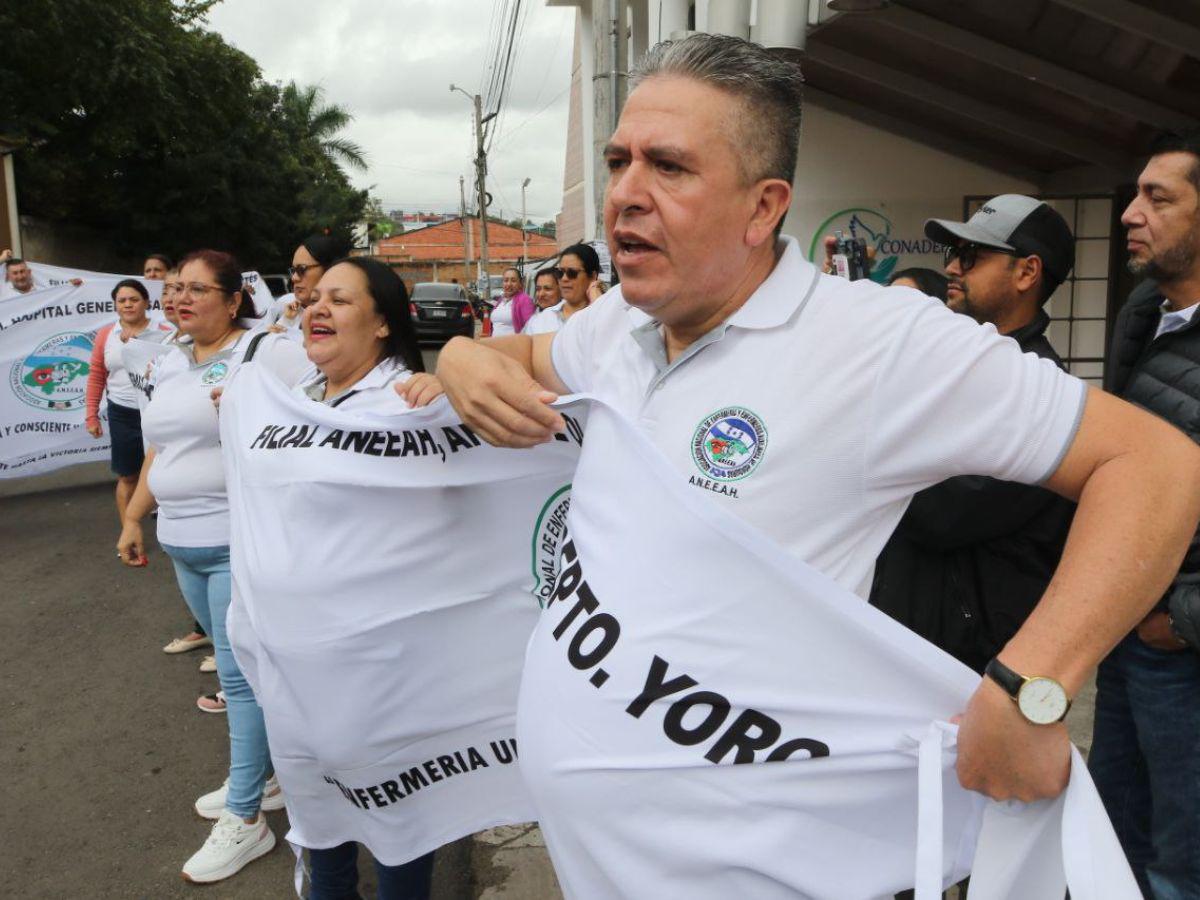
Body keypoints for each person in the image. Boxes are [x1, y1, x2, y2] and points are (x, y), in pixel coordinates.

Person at [420, 32, 1200, 891]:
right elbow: (527, 362)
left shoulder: (879, 344)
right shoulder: (617, 325)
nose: (624, 197)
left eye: (670, 168)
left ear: (764, 207)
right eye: (618, 161)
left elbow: (1157, 465)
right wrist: (463, 360)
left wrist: (1033, 683)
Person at [117, 249, 308, 883]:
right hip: (180, 541)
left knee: (239, 677)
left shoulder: (266, 351)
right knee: (243, 671)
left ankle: (246, 814)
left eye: (199, 289)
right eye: (176, 288)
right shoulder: (171, 359)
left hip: (237, 541)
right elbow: (159, 450)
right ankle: (270, 774)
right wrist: (134, 518)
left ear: (234, 300)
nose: (181, 298)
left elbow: (326, 411)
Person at [281, 257, 442, 899]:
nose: (316, 308)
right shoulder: (292, 399)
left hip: (383, 662)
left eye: (339, 301)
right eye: (313, 297)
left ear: (381, 324)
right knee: (322, 812)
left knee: (395, 815)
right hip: (303, 657)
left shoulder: (409, 404)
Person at [869, 196, 1079, 673]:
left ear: (1027, 273)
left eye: (970, 256)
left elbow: (940, 511)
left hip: (970, 657)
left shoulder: (1042, 389)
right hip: (907, 632)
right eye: (952, 254)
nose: (951, 268)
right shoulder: (953, 364)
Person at [1089, 129, 1200, 899]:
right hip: (1130, 629)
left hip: (1182, 645)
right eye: (1135, 194)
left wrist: (1183, 619)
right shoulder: (1144, 312)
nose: (1132, 214)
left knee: (1180, 864)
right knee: (1110, 842)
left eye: (1158, 199)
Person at [85, 279, 172, 524]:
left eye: (134, 299)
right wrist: (91, 414)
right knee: (128, 476)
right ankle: (129, 530)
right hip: (122, 412)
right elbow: (96, 375)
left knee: (163, 471)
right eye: (122, 300)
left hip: (157, 410)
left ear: (146, 302)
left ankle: (166, 529)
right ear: (115, 305)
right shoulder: (106, 335)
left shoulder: (164, 332)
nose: (128, 305)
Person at [267, 234, 351, 336]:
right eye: (293, 270)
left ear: (330, 268)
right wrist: (286, 321)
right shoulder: (287, 307)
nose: (294, 278)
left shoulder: (348, 317)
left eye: (302, 269)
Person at [526, 246, 602, 336]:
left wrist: (599, 304)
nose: (564, 278)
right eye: (560, 273)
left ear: (593, 276)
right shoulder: (541, 320)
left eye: (572, 273)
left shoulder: (605, 317)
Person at [489, 267, 535, 336]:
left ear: (520, 283)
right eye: (506, 280)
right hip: (495, 345)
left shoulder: (524, 300)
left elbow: (531, 328)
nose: (509, 284)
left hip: (513, 345)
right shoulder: (501, 300)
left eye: (513, 281)